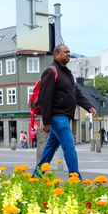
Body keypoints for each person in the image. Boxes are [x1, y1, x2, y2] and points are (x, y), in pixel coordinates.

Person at [33, 44, 96, 179]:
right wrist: (47, 121)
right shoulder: (51, 71)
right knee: (70, 148)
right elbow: (45, 98)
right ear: (57, 55)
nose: (68, 54)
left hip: (65, 117)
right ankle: (75, 180)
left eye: (69, 52)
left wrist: (88, 106)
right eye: (65, 52)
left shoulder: (67, 73)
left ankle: (35, 178)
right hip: (58, 117)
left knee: (49, 150)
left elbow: (76, 92)